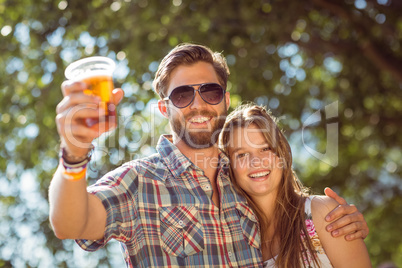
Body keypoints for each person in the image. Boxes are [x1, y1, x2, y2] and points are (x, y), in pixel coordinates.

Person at [49, 43, 369, 267]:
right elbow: (71, 223)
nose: (198, 105)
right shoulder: (138, 181)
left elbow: (296, 216)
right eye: (183, 94)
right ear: (165, 108)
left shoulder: (246, 178)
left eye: (210, 91)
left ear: (225, 99)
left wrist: (340, 223)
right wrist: (74, 152)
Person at [220, 104, 372, 267]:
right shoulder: (234, 240)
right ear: (229, 166)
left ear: (281, 153)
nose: (256, 162)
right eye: (242, 154)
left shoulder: (324, 214)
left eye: (265, 148)